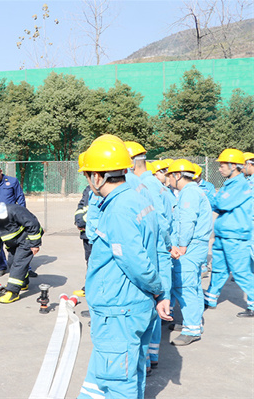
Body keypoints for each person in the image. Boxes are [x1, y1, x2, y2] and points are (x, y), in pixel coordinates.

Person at [76, 140, 170, 399]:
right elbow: (157, 247)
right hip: (135, 306)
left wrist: (158, 289)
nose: (88, 182)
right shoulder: (138, 198)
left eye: (87, 176)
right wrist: (160, 293)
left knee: (118, 382)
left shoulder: (117, 209)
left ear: (98, 176)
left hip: (119, 310)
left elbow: (135, 262)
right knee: (132, 371)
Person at [125, 141, 174, 371]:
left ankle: (148, 358)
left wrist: (167, 246)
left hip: (153, 249)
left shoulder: (142, 184)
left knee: (152, 303)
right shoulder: (151, 182)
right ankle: (150, 356)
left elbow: (159, 222)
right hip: (157, 246)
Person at [165, 160, 213, 345]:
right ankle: (194, 323)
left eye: (170, 176)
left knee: (184, 286)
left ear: (177, 175)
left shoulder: (189, 193)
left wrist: (181, 245)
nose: (169, 180)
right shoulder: (193, 191)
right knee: (193, 285)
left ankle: (191, 329)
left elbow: (187, 221)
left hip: (190, 246)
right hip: (196, 245)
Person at [205, 149, 254, 317]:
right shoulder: (230, 184)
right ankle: (210, 299)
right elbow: (218, 202)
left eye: (222, 165)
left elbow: (221, 204)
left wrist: (215, 198)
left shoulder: (240, 185)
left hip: (235, 236)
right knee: (219, 270)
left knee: (241, 272)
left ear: (234, 166)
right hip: (224, 235)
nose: (220, 169)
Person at [0, 161, 32, 277]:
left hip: (12, 220)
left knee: (19, 245)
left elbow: (20, 198)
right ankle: (1, 266)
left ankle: (25, 268)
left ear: (0, 171)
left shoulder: (12, 181)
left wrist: (22, 217)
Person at [73, 153, 92, 297]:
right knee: (90, 260)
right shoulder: (88, 189)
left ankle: (92, 289)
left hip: (94, 233)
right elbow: (82, 206)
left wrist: (84, 222)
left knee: (96, 262)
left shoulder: (101, 190)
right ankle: (89, 287)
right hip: (86, 233)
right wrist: (79, 220)